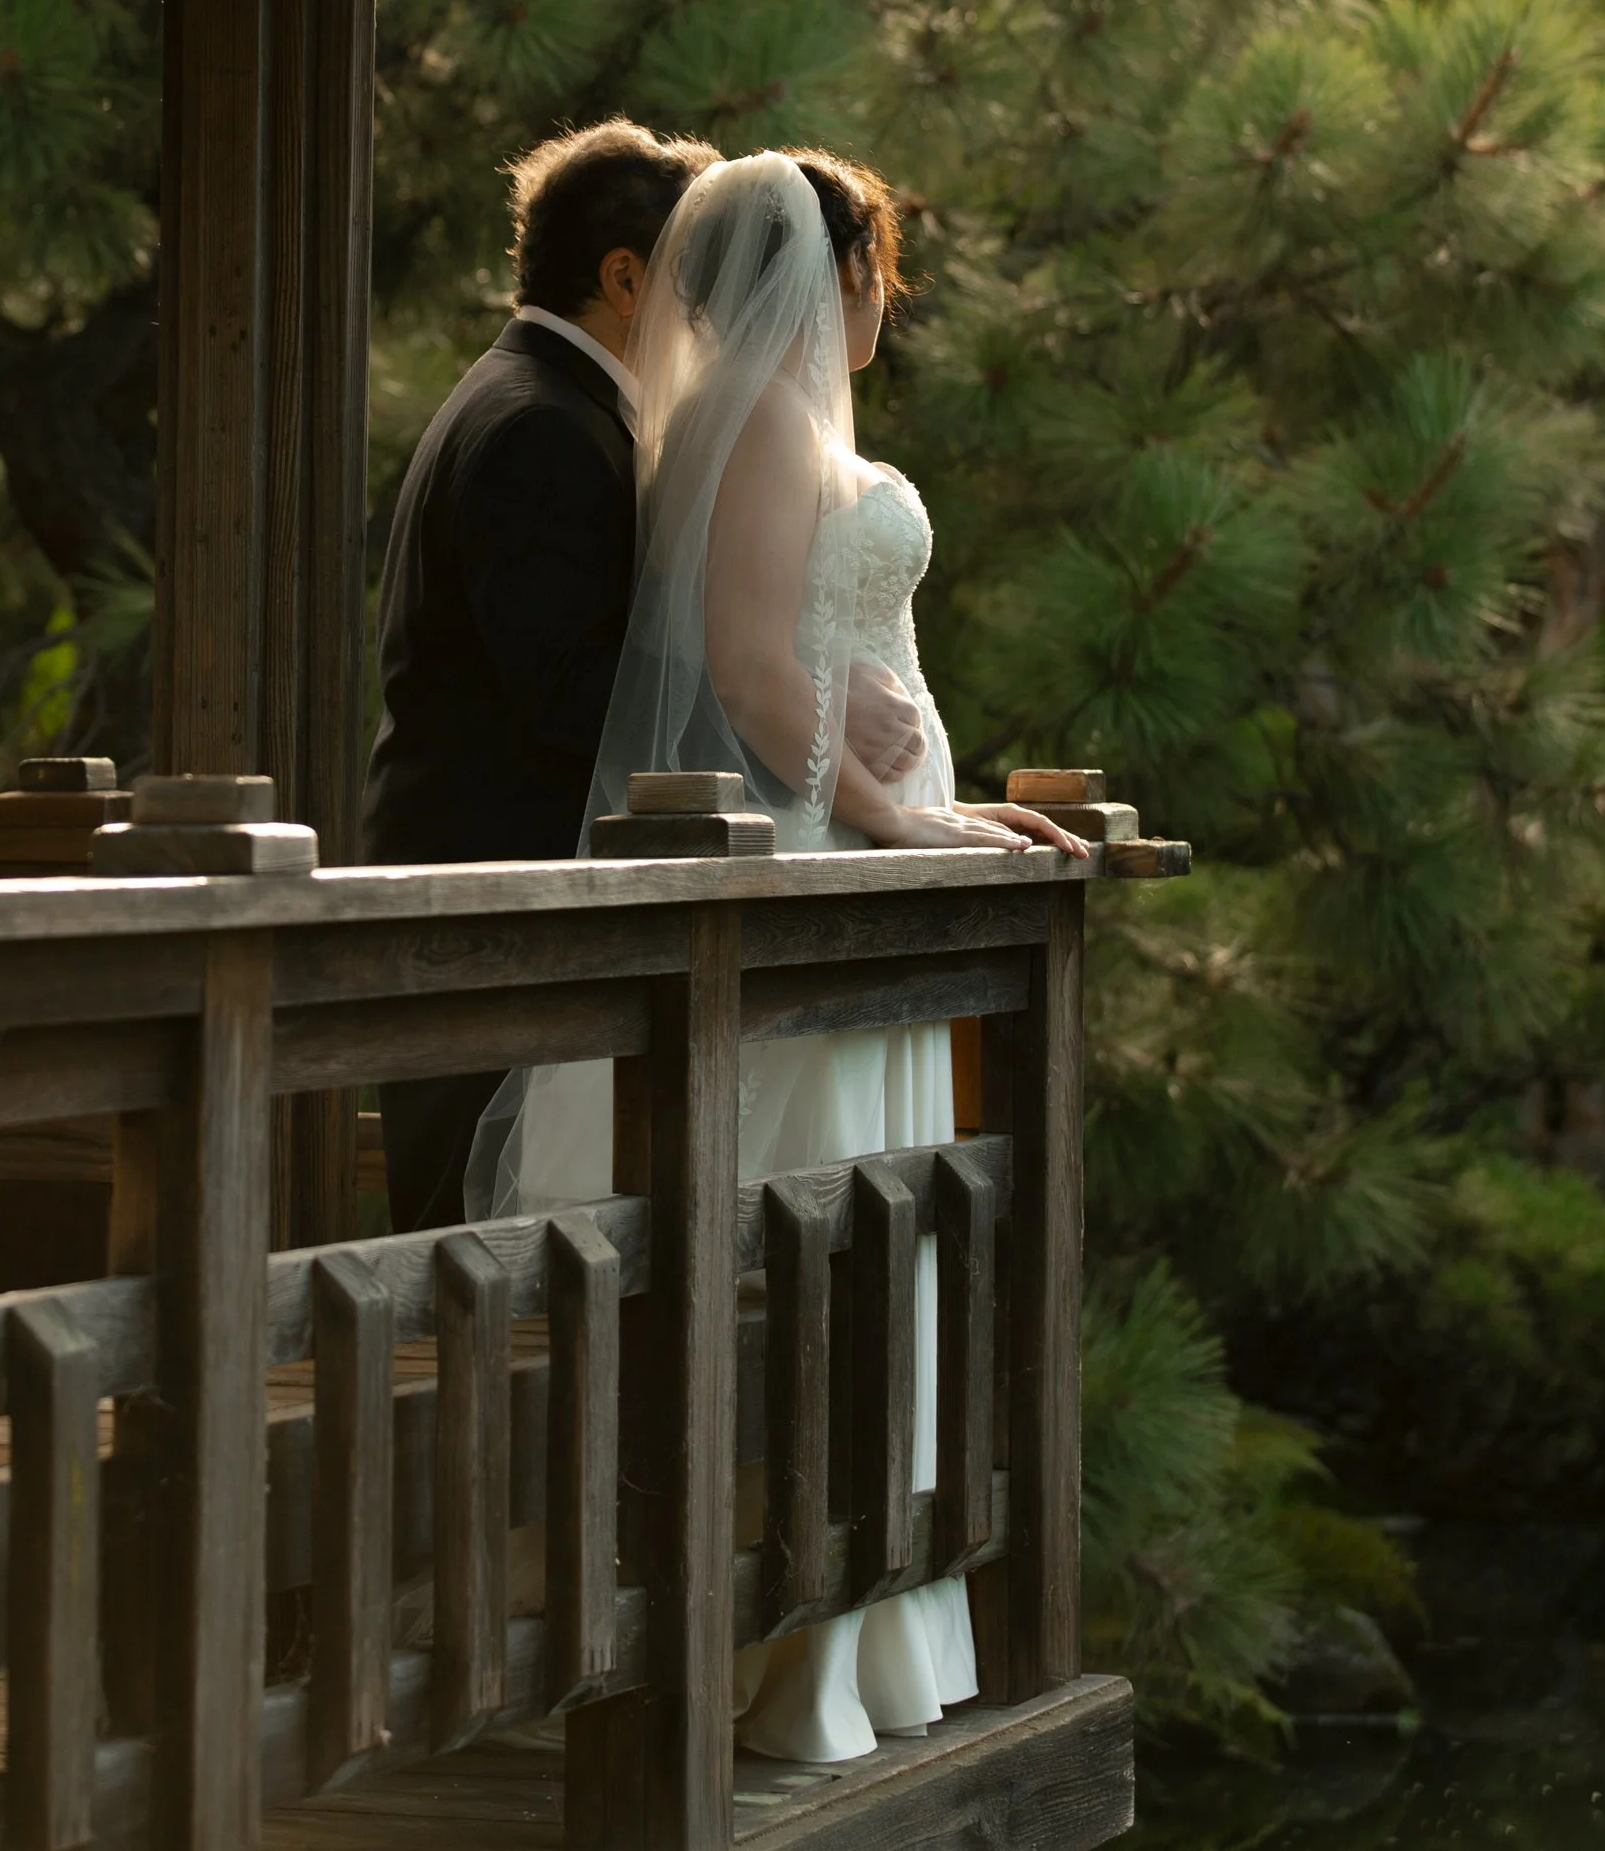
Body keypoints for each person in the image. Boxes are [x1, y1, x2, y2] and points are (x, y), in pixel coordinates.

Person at [478, 147, 1086, 1761]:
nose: (890, 292)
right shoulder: (751, 420)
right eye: (882, 261)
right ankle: (773, 1657)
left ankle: (857, 1641)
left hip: (857, 870)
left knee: (879, 1248)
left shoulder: (792, 424)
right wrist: (900, 815)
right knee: (820, 1257)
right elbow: (752, 672)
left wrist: (915, 803)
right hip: (820, 889)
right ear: (836, 271)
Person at [363, 119, 936, 1235]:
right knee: (492, 1255)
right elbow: (574, 687)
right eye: (686, 266)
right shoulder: (536, 424)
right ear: (625, 276)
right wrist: (796, 702)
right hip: (500, 893)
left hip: (524, 892)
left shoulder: (567, 411)